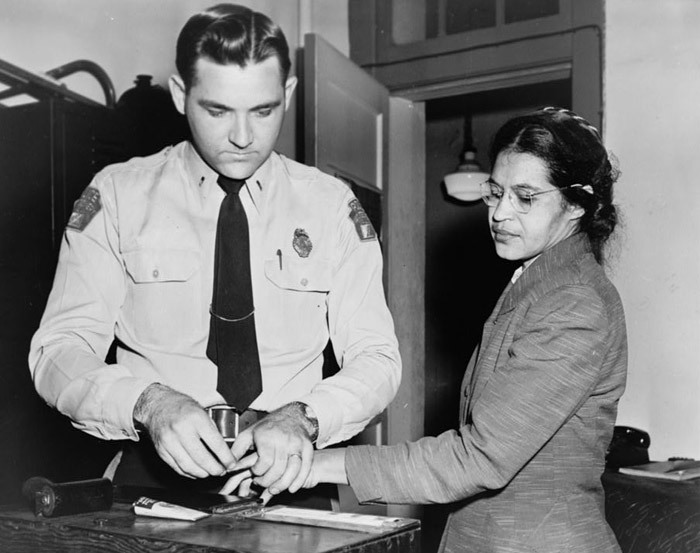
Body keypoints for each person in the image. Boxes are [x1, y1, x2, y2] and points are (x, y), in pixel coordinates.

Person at [28, 3, 400, 498]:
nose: (243, 138)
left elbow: (377, 358)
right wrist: (150, 404)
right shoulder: (119, 195)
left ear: (287, 93)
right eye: (218, 110)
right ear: (181, 94)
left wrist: (305, 417)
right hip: (149, 485)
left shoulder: (331, 207)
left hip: (287, 481)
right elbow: (58, 351)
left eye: (264, 111)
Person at [225, 106, 627, 552]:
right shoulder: (539, 283)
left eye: (526, 197)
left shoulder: (574, 303)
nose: (500, 213)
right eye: (495, 193)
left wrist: (312, 464)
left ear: (575, 204)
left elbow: (480, 457)